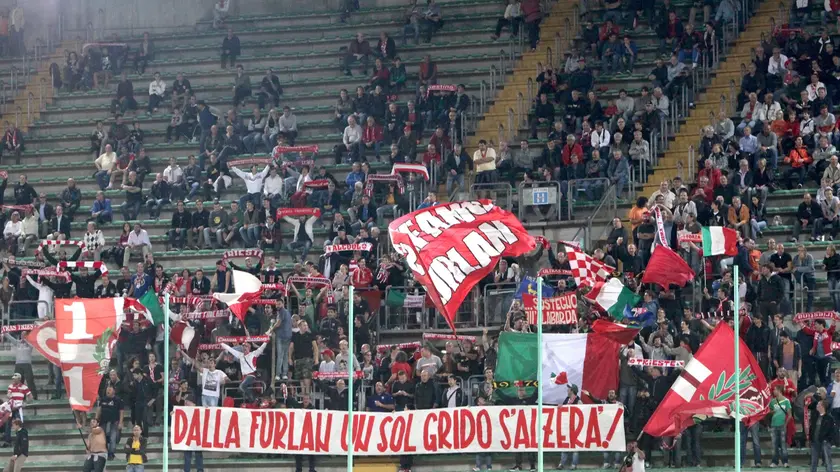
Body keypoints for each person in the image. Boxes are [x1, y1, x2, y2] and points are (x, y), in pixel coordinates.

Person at [96, 385, 124, 461]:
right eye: (107, 390)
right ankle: (105, 452)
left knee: (113, 438)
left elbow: (121, 412)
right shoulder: (103, 399)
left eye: (110, 390)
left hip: (114, 422)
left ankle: (111, 453)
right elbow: (99, 409)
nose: (108, 391)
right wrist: (96, 419)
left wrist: (121, 423)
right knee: (103, 438)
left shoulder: (118, 400)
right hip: (103, 422)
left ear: (114, 391)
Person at [809, 399, 835, 472]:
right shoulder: (815, 416)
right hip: (814, 442)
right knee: (814, 462)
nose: (817, 406)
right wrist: (810, 439)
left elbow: (832, 431)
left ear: (822, 406)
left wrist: (827, 439)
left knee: (827, 461)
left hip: (825, 442)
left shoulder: (829, 418)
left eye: (818, 404)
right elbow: (812, 428)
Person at [769, 384, 791, 468]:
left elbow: (789, 415)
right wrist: (772, 413)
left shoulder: (786, 401)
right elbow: (769, 412)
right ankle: (775, 462)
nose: (773, 391)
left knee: (783, 444)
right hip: (773, 425)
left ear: (779, 390)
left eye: (775, 390)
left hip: (782, 425)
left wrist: (785, 424)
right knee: (774, 444)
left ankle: (785, 461)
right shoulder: (772, 401)